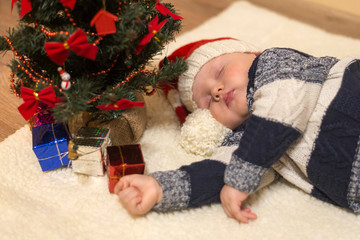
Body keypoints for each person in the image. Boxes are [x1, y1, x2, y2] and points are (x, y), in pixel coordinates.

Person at [114, 37, 360, 223]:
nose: (216, 91)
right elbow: (222, 173)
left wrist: (242, 176)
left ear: (249, 54)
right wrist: (159, 189)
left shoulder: (276, 64)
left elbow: (283, 106)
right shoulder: (251, 144)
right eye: (208, 102)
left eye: (219, 72)